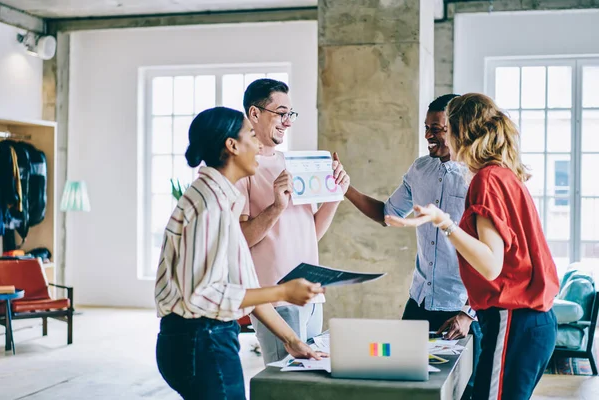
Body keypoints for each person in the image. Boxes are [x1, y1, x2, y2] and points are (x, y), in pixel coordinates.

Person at [386, 93, 559, 400]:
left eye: (444, 130)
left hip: (513, 317)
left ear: (460, 133)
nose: (437, 137)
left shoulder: (486, 180)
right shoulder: (503, 174)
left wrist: (445, 222)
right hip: (528, 321)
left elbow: (492, 265)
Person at [155, 107, 325, 400]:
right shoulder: (209, 206)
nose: (259, 144)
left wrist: (292, 339)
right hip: (202, 339)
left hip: (202, 339)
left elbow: (245, 284)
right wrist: (283, 291)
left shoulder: (220, 200)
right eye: (250, 135)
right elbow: (203, 295)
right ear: (232, 146)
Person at [342, 94, 481, 397]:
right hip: (418, 305)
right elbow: (387, 215)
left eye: (437, 128)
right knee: (405, 390)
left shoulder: (478, 178)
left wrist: (469, 315)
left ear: (457, 128)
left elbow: (491, 253)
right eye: (427, 128)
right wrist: (345, 189)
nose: (429, 136)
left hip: (460, 314)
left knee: (463, 394)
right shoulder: (420, 170)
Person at [236, 79, 350, 364]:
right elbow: (241, 240)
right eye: (281, 113)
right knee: (282, 384)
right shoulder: (240, 168)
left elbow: (309, 234)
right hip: (273, 299)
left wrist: (335, 196)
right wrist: (276, 206)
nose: (288, 122)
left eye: (291, 115)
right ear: (254, 113)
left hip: (311, 295)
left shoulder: (295, 163)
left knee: (308, 381)